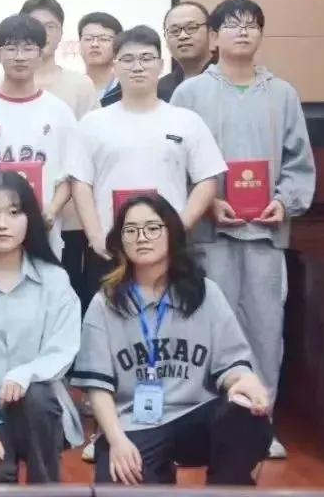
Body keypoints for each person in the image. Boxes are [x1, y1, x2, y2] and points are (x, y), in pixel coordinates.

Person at [68, 25, 226, 463]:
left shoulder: (185, 121)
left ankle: (169, 426)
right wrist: (95, 234)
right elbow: (80, 182)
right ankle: (107, 430)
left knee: (172, 338)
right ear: (115, 65)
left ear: (160, 63)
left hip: (168, 256)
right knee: (110, 341)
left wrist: (177, 230)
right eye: (128, 59)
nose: (137, 67)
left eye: (146, 58)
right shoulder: (94, 122)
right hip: (111, 253)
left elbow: (207, 180)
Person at [171, 0, 316, 460]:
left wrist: (284, 201)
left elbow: (298, 161)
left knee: (265, 332)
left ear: (260, 34)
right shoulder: (190, 94)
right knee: (205, 329)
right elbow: (175, 164)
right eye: (232, 25)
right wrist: (207, 202)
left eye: (251, 24)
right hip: (209, 238)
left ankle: (259, 425)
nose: (243, 31)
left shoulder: (283, 94)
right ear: (214, 36)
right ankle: (206, 427)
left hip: (265, 238)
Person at [70, 193, 272, 485]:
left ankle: (225, 489)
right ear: (121, 241)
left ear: (172, 233)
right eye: (131, 230)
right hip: (134, 423)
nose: (142, 237)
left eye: (152, 228)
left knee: (246, 418)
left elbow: (232, 366)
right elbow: (98, 388)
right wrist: (116, 441)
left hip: (195, 416)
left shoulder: (205, 293)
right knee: (117, 485)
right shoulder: (106, 302)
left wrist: (245, 381)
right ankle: (159, 472)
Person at [0, 171, 83, 484]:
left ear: (29, 218)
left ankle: (46, 489)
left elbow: (62, 348)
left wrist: (26, 374)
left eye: (13, 212)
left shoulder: (54, 279)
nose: (2, 224)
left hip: (37, 415)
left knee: (37, 396)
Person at [0, 14, 78, 259]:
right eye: (11, 48)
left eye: (28, 48)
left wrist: (51, 211)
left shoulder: (59, 112)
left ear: (41, 53)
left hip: (43, 232)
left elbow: (71, 174)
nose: (19, 56)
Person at [21, 0, 99, 319]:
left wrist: (55, 206)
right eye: (35, 26)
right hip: (17, 214)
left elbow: (88, 148)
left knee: (68, 298)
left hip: (69, 216)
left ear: (61, 32)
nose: (43, 33)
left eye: (50, 26)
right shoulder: (0, 84)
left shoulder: (79, 85)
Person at [157, 1, 216, 102]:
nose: (183, 36)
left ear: (210, 33)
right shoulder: (160, 89)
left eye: (191, 28)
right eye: (174, 31)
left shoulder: (229, 80)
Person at [78, 12, 124, 106]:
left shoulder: (126, 91)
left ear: (117, 46)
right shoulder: (70, 89)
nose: (94, 44)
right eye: (88, 39)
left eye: (104, 39)